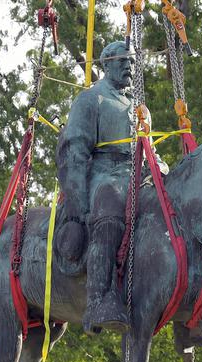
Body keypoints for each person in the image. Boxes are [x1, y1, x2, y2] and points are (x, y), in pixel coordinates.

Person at [55, 40, 138, 335]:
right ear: (107, 63)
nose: (129, 65)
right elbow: (75, 151)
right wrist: (78, 201)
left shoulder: (137, 107)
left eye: (132, 61)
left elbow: (149, 148)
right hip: (104, 172)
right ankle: (99, 299)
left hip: (138, 172)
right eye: (123, 60)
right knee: (110, 215)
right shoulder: (92, 99)